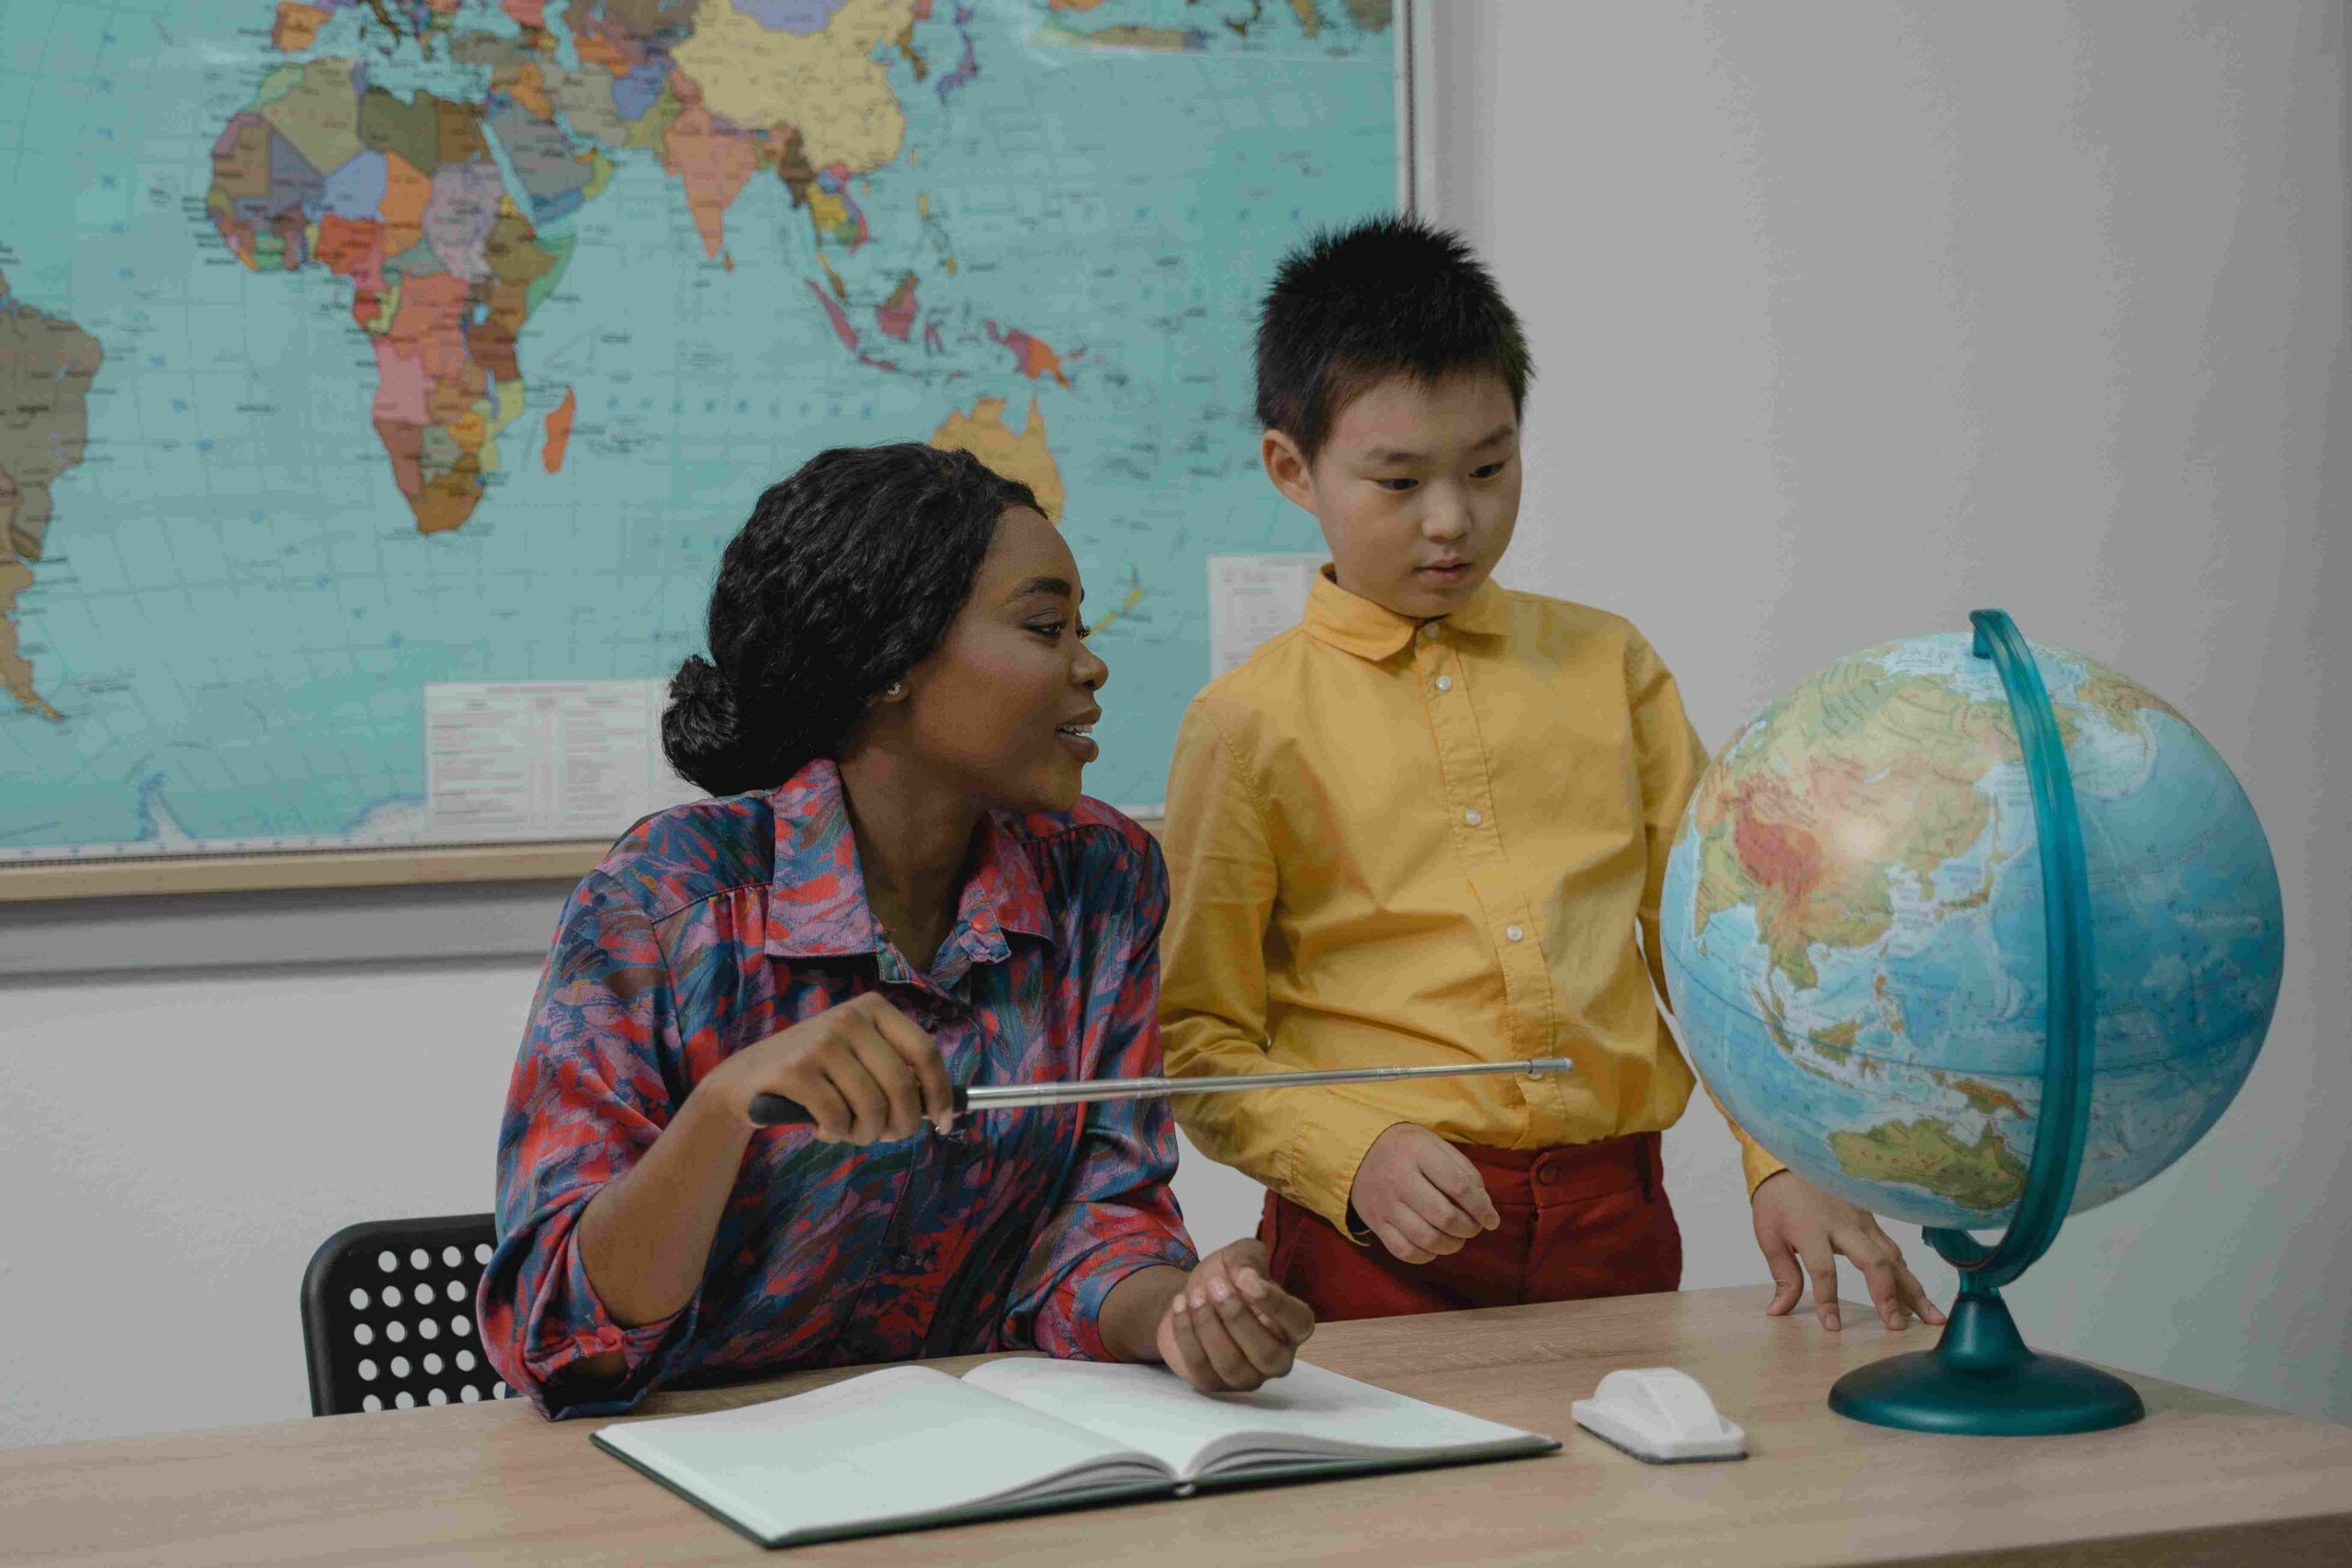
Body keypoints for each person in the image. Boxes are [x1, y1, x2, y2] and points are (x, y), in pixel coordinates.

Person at [1159, 217, 1945, 1335]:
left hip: (1613, 1218)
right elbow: (1197, 1040)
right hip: (1372, 1233)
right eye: (1398, 481)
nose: (1452, 519)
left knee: (1634, 1453)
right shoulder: (1245, 725)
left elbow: (1717, 948)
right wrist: (1346, 1153)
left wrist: (1780, 1158)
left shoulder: (1607, 666)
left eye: (1489, 468)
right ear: (1293, 469)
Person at [481, 444, 1315, 1417]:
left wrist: (1181, 1313)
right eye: (1045, 627)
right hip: (693, 1460)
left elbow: (1096, 1225)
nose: (1090, 665)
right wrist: (722, 1109)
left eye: (1079, 629)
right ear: (891, 663)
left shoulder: (1101, 878)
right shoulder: (666, 903)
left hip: (987, 1451)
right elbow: (555, 1329)